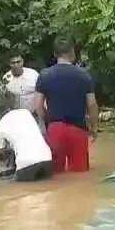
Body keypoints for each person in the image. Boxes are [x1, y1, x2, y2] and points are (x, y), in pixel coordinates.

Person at [34, 37, 99, 174]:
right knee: (79, 175)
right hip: (77, 130)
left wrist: (48, 124)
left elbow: (38, 106)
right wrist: (94, 127)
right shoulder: (84, 75)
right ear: (72, 52)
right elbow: (92, 105)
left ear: (54, 53)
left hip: (54, 129)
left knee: (55, 175)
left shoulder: (44, 75)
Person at [0, 107, 53, 182]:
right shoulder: (26, 113)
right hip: (47, 158)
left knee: (8, 184)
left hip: (26, 163)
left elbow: (3, 153)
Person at [0, 51, 41, 117]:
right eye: (13, 63)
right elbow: (2, 99)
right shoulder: (6, 78)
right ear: (9, 64)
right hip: (16, 118)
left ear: (23, 62)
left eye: (18, 62)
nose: (16, 65)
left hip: (35, 116)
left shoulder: (33, 74)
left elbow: (43, 93)